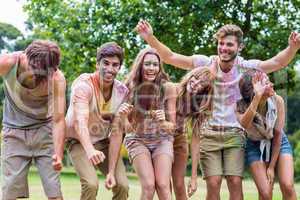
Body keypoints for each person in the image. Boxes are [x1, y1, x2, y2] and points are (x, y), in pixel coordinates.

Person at [135, 20, 300, 200]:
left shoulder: (245, 67)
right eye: (221, 43)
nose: (224, 48)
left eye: (229, 44)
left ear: (240, 47)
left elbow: (276, 62)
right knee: (213, 184)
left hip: (235, 133)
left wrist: (292, 48)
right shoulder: (205, 63)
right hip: (210, 133)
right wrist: (150, 37)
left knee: (235, 182)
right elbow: (171, 56)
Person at [0, 40, 66, 200]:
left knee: (54, 192)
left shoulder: (57, 79)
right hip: (13, 132)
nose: (40, 77)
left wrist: (58, 153)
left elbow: (58, 120)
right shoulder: (7, 62)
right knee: (9, 191)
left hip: (44, 132)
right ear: (27, 58)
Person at [65, 42, 129, 200]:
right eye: (105, 63)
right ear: (97, 64)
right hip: (78, 141)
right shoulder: (83, 86)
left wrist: (111, 172)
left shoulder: (122, 92)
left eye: (115, 65)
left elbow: (116, 132)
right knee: (91, 184)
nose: (110, 69)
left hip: (103, 141)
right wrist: (90, 150)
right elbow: (80, 121)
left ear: (119, 68)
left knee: (122, 185)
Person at [122, 47, 177, 200]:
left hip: (162, 140)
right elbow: (128, 129)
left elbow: (173, 127)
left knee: (163, 185)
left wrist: (163, 122)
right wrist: (125, 117)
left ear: (159, 67)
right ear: (140, 66)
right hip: (138, 139)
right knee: (148, 186)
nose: (151, 68)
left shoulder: (168, 88)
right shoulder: (128, 88)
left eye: (155, 64)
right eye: (147, 64)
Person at [236, 70, 297, 200]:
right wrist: (257, 97)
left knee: (288, 185)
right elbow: (244, 124)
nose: (272, 84)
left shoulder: (278, 100)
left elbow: (278, 135)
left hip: (278, 142)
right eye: (267, 82)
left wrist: (271, 167)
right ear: (253, 89)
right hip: (254, 145)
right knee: (265, 193)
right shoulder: (240, 106)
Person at [175, 67, 214, 199]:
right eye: (195, 78)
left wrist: (193, 178)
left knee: (179, 185)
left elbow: (196, 141)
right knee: (163, 185)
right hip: (161, 139)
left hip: (179, 139)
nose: (195, 83)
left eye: (201, 84)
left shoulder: (198, 108)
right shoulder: (173, 91)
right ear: (190, 75)